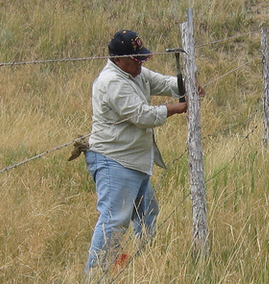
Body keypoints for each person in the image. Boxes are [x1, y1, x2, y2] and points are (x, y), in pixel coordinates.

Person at [84, 29, 204, 275]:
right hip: (114, 160)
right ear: (119, 59)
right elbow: (141, 116)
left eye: (141, 59)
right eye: (135, 59)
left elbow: (162, 82)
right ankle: (95, 274)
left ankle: (142, 260)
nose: (140, 64)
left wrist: (187, 85)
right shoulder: (112, 82)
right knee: (114, 219)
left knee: (147, 213)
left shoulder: (134, 72)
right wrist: (174, 108)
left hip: (133, 160)